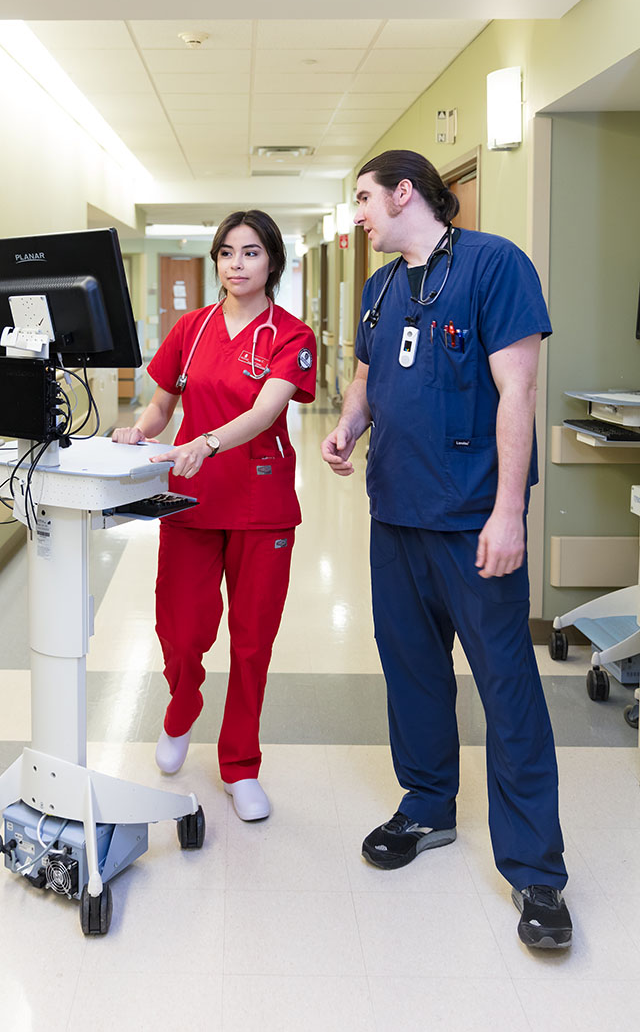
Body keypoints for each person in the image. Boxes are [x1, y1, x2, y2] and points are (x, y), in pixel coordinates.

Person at [321, 150, 572, 949]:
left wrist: (508, 513)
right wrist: (348, 425)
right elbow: (368, 376)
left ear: (405, 193)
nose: (357, 215)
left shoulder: (496, 266)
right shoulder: (382, 285)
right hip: (395, 513)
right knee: (412, 671)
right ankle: (428, 807)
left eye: (364, 198)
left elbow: (517, 393)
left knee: (507, 687)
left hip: (471, 520)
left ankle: (536, 871)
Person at [113, 210, 316, 821]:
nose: (237, 264)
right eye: (227, 253)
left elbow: (264, 411)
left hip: (261, 503)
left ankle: (240, 765)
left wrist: (206, 442)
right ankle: (183, 705)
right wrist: (138, 432)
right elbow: (162, 404)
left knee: (252, 642)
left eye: (250, 253)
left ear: (272, 262)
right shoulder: (192, 329)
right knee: (180, 630)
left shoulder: (291, 335)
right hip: (192, 499)